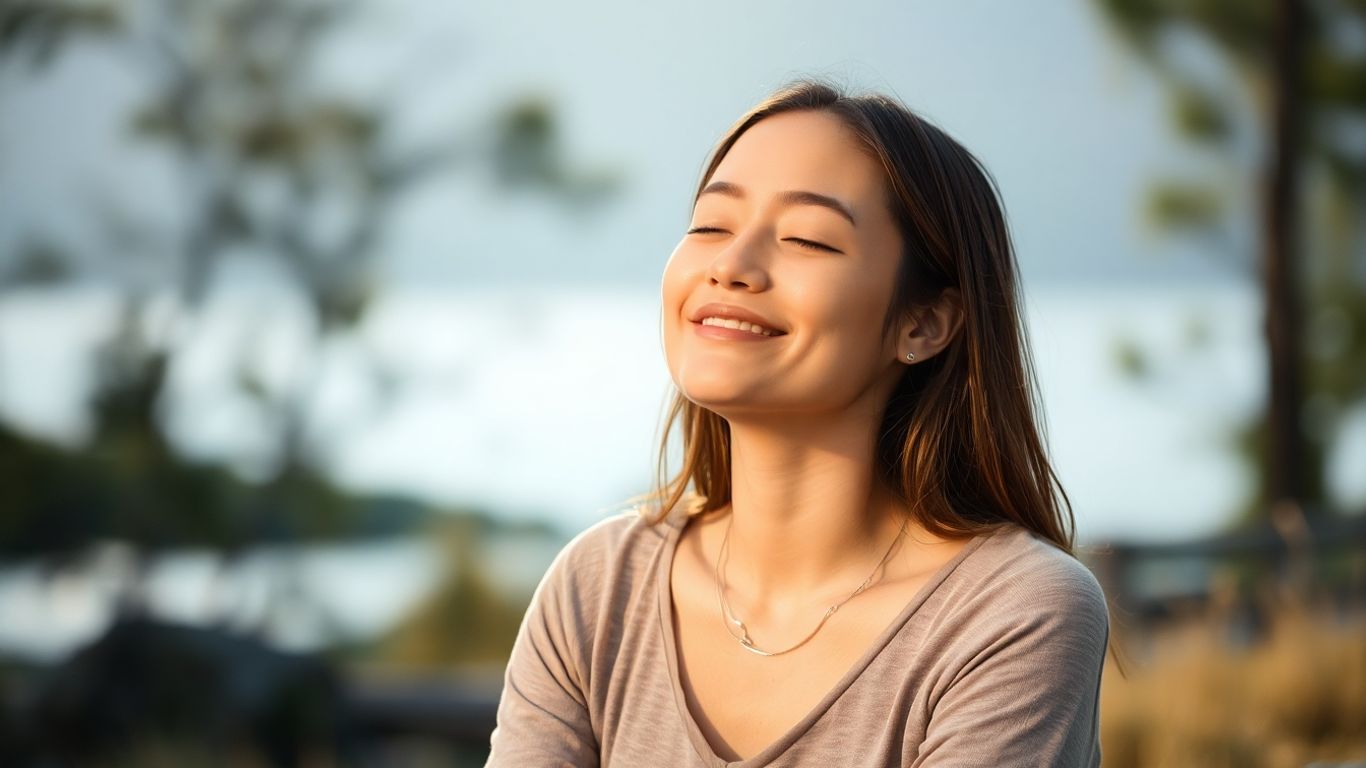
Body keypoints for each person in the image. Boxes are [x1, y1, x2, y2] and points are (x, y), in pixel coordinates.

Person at [484, 77, 1116, 767]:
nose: (731, 265)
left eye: (807, 239)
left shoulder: (1011, 613)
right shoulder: (599, 588)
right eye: (711, 225)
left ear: (925, 322)